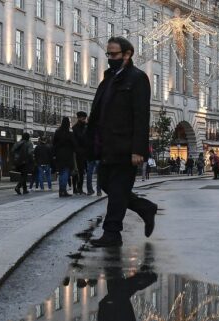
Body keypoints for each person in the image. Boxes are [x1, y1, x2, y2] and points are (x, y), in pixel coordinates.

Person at [86, 36, 158, 247]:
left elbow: (141, 116)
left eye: (114, 54)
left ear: (127, 54)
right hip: (107, 145)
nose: (110, 58)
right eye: (108, 54)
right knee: (107, 184)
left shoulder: (137, 78)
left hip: (126, 147)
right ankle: (144, 207)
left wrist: (139, 149)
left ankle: (112, 233)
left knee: (117, 190)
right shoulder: (108, 79)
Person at [53, 117, 75, 197]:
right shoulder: (70, 134)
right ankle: (63, 190)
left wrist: (55, 154)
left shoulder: (57, 133)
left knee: (61, 173)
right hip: (67, 155)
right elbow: (74, 145)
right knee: (65, 172)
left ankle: (61, 190)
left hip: (59, 155)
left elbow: (54, 144)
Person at [72, 111, 89, 195]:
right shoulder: (75, 128)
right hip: (78, 152)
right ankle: (76, 188)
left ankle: (79, 188)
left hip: (84, 152)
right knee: (77, 171)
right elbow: (80, 138)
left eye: (85, 118)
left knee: (82, 171)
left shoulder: (85, 126)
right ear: (79, 118)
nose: (84, 119)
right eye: (83, 118)